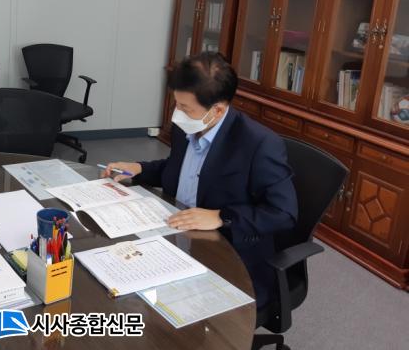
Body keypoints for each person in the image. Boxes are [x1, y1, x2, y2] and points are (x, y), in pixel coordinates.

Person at [102, 52, 297, 308]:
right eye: (176, 104)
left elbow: (283, 213)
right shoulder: (189, 126)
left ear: (217, 110)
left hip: (226, 252)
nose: (176, 114)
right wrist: (139, 168)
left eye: (185, 108)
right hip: (176, 232)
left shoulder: (258, 144)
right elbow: (180, 168)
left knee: (160, 310)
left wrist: (221, 217)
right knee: (114, 279)